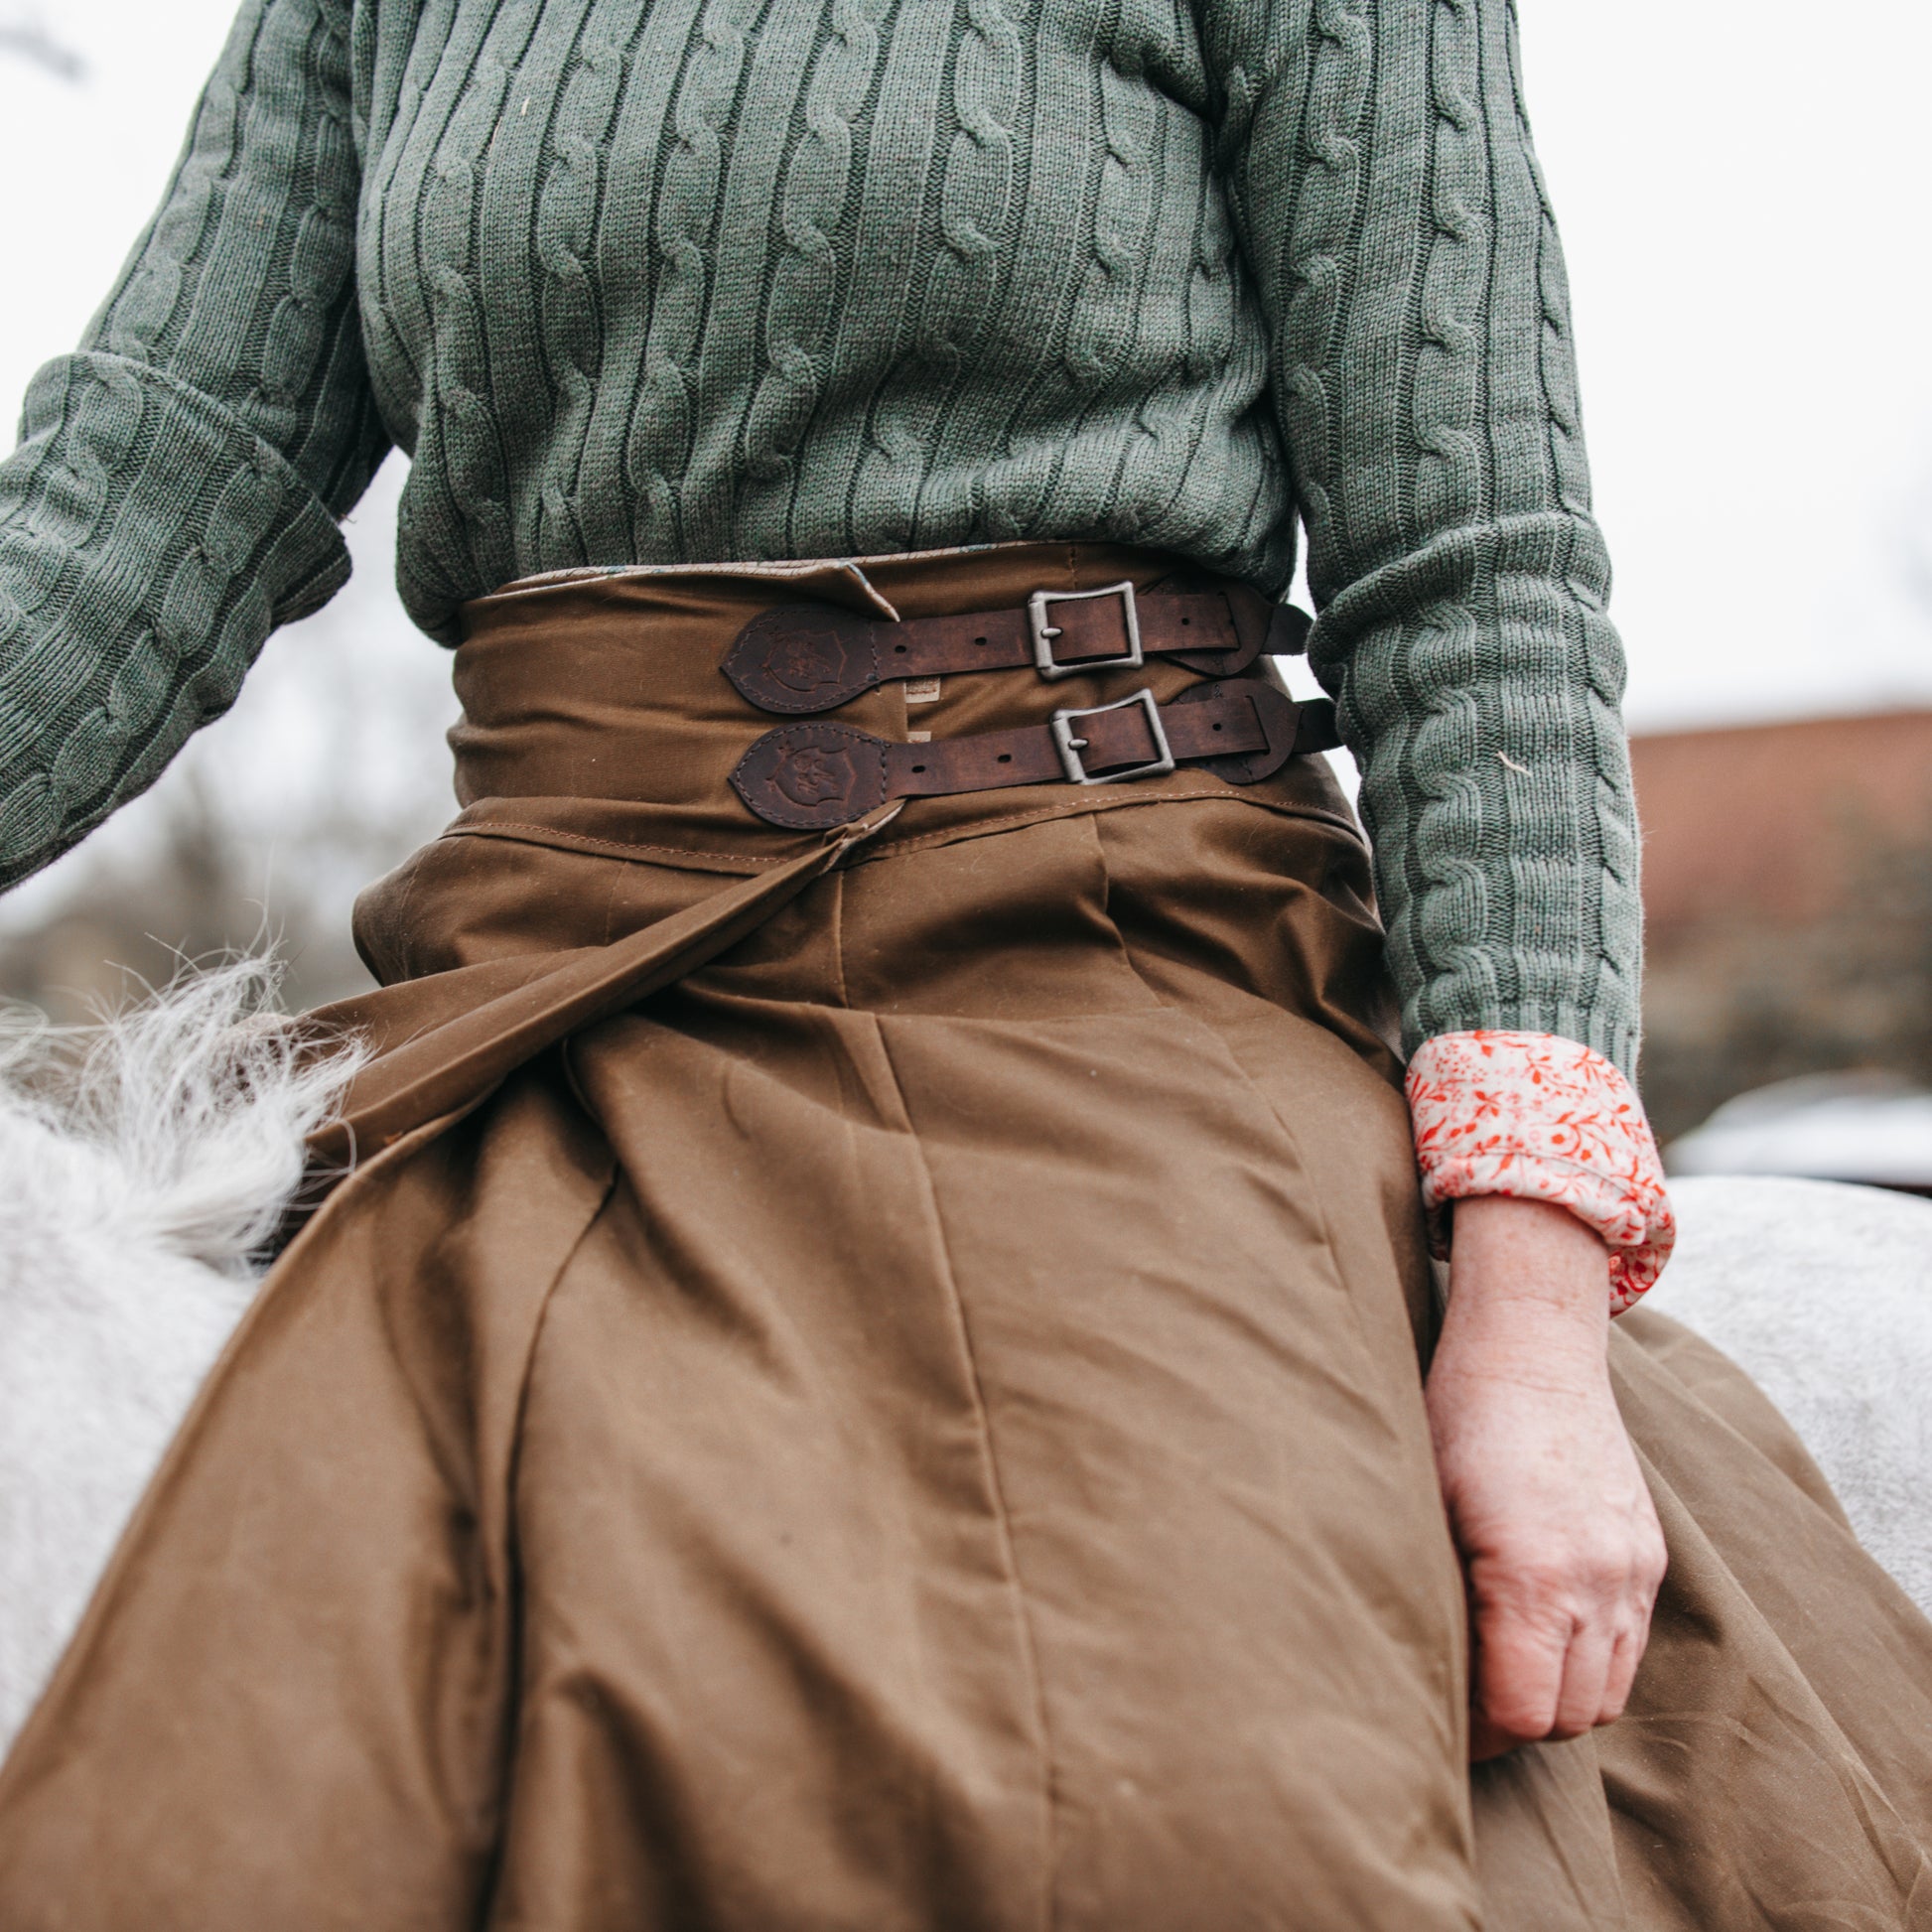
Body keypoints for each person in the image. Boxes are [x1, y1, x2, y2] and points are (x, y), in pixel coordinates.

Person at [0, 0, 1926, 1924]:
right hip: (546, 964)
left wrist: (1527, 1318)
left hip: (1099, 948)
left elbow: (1473, 560)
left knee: (1191, 1810)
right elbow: (156, 485)